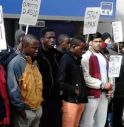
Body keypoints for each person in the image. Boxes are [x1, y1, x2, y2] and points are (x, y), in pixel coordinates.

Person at [7, 34, 43, 127]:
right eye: (34, 48)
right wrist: (21, 110)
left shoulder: (34, 63)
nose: (37, 51)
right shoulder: (16, 64)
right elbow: (13, 89)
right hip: (25, 113)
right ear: (24, 46)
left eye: (37, 48)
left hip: (37, 110)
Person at [80, 32, 112, 127]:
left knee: (101, 122)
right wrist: (102, 84)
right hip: (91, 94)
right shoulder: (86, 56)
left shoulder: (103, 55)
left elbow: (109, 73)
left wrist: (110, 88)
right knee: (87, 122)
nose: (98, 43)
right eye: (96, 41)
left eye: (100, 41)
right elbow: (85, 77)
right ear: (90, 42)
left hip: (104, 93)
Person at [56, 35, 88, 127]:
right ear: (73, 47)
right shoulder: (66, 58)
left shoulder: (77, 59)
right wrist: (74, 90)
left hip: (79, 100)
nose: (83, 51)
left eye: (85, 49)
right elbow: (60, 81)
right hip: (70, 101)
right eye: (81, 48)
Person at [37, 28, 61, 127]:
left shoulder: (58, 55)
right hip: (42, 98)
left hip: (56, 97)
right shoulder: (37, 55)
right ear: (42, 40)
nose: (52, 40)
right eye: (49, 37)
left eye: (54, 37)